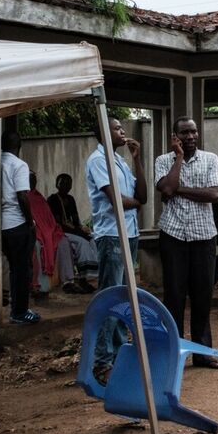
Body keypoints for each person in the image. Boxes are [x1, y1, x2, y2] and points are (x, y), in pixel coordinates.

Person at [155, 117, 218, 369]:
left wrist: (177, 190)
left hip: (204, 236)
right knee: (173, 296)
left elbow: (215, 194)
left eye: (194, 131)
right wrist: (178, 158)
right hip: (173, 236)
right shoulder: (163, 161)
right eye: (184, 133)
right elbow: (165, 188)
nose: (191, 136)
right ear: (175, 136)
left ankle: (203, 353)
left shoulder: (211, 159)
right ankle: (173, 352)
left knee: (202, 295)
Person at [85, 117, 148, 384]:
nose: (123, 131)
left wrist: (137, 158)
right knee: (111, 297)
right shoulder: (98, 160)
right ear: (102, 131)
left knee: (124, 298)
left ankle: (119, 353)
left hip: (130, 233)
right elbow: (117, 200)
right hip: (112, 236)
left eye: (123, 128)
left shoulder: (121, 161)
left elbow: (142, 197)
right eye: (117, 128)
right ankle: (102, 361)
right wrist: (135, 203)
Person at [29, 172, 96, 294]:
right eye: (62, 183)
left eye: (68, 183)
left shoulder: (42, 198)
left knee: (91, 240)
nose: (65, 186)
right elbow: (55, 221)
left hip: (56, 231)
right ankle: (63, 282)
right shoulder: (51, 199)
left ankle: (84, 278)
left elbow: (74, 219)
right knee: (74, 243)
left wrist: (81, 230)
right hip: (44, 232)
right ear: (57, 184)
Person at [0, 130, 39, 325]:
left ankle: (16, 308)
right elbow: (22, 195)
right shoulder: (19, 165)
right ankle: (20, 311)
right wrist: (30, 221)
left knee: (14, 269)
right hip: (17, 223)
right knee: (22, 269)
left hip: (1, 225)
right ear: (19, 145)